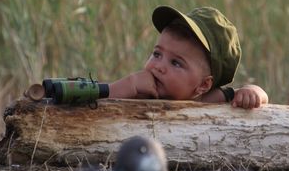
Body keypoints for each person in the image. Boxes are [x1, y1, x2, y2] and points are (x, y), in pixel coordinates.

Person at [108, 6, 268, 109]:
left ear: (203, 85)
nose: (159, 67)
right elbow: (98, 100)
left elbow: (260, 96)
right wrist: (129, 84)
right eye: (157, 54)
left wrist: (251, 92)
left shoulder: (209, 99)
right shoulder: (143, 91)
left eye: (176, 63)